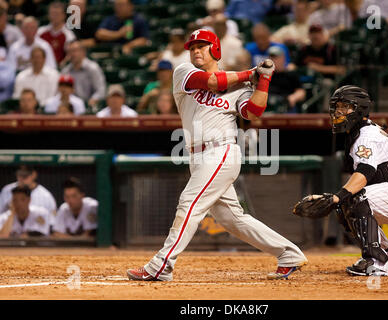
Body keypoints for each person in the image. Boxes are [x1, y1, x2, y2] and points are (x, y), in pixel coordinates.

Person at [126, 29, 307, 282]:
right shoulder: (184, 72)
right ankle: (288, 254)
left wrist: (263, 80)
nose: (196, 51)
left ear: (216, 50)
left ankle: (161, 265)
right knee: (232, 218)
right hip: (197, 155)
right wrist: (251, 74)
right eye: (193, 47)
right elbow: (213, 83)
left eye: (202, 46)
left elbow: (253, 112)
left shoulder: (239, 86)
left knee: (188, 204)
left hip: (221, 150)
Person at [321, 85, 388, 276]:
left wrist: (337, 197)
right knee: (346, 206)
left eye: (345, 106)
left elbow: (365, 171)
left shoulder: (366, 135)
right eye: (337, 107)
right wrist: (340, 200)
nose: (338, 111)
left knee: (353, 199)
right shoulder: (362, 132)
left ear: (359, 109)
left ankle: (376, 261)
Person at [0, 166, 57, 231]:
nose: (21, 179)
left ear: (34, 175)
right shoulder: (7, 190)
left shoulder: (46, 196)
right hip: (12, 231)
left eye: (25, 176)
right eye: (19, 175)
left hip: (37, 231)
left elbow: (52, 223)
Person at [61, 41, 106, 108]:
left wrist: (94, 99)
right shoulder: (65, 71)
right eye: (69, 52)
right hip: (71, 106)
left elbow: (101, 90)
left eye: (74, 51)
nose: (72, 54)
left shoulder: (93, 68)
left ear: (83, 52)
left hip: (89, 105)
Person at [266, 45, 305, 113]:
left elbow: (301, 92)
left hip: (286, 105)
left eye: (276, 58)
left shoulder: (291, 74)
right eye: (271, 58)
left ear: (283, 58)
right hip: (268, 106)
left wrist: (294, 97)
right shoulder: (265, 75)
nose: (273, 60)